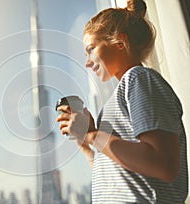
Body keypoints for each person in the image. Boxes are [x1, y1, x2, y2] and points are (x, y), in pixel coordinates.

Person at [56, 0, 188, 203]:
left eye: (91, 49)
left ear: (120, 43)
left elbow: (164, 165)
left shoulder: (138, 79)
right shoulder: (123, 94)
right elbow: (117, 177)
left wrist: (92, 135)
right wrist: (85, 144)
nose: (87, 61)